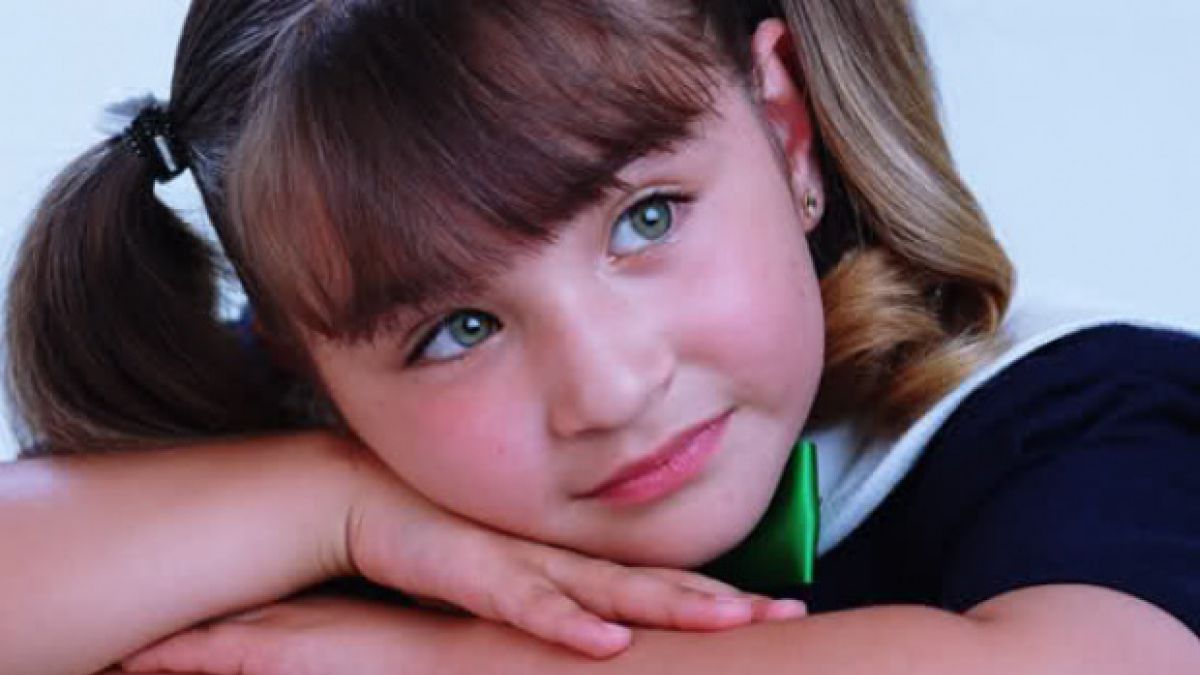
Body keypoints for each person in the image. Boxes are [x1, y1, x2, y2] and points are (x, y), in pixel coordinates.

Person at [3, 0, 1198, 673]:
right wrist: (338, 503)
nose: (612, 388)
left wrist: (448, 664)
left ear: (784, 129)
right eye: (460, 328)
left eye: (647, 219)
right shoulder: (341, 469)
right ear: (303, 364)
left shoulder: (1074, 415)